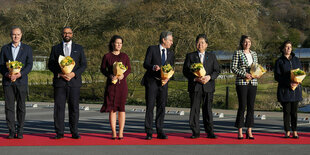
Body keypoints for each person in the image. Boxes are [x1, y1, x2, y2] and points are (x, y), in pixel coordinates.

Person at [48, 27, 87, 139]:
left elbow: (83, 64)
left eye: (69, 33)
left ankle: (74, 132)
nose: (67, 35)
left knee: (74, 108)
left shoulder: (79, 48)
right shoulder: (55, 48)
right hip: (60, 82)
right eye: (65, 33)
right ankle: (59, 133)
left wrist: (73, 74)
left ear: (72, 34)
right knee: (59, 108)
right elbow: (50, 64)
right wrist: (60, 73)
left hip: (74, 82)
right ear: (62, 34)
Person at [183, 34, 220, 139]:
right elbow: (185, 71)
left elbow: (217, 70)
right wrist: (195, 78)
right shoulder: (190, 56)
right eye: (198, 42)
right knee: (195, 110)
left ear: (206, 45)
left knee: (207, 109)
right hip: (195, 86)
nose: (200, 44)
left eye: (202, 42)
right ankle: (195, 132)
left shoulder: (212, 56)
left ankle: (210, 132)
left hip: (208, 86)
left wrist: (209, 77)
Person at [0, 26, 33, 139]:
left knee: (21, 107)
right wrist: (6, 74)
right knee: (9, 107)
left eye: (18, 34)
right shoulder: (5, 48)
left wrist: (20, 74)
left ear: (21, 35)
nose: (16, 36)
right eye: (14, 34)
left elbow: (29, 65)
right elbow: (1, 65)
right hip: (8, 82)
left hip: (21, 81)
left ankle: (20, 131)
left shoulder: (27, 49)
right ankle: (11, 130)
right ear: (11, 35)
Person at [142, 31, 175, 140]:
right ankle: (149, 132)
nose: (172, 42)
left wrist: (167, 78)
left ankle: (160, 131)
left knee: (162, 107)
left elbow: (171, 69)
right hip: (152, 82)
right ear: (163, 40)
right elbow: (145, 64)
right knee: (150, 106)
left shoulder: (171, 53)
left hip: (163, 84)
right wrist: (153, 67)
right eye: (170, 40)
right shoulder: (152, 49)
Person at [100, 35, 131, 140]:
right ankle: (113, 132)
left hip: (122, 85)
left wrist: (124, 75)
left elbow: (128, 69)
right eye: (117, 43)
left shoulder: (125, 56)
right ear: (112, 43)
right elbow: (103, 69)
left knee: (121, 109)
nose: (119, 45)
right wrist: (110, 75)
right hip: (111, 85)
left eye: (120, 43)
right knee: (112, 109)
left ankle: (121, 131)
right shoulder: (107, 56)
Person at [230, 35, 258, 139]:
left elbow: (256, 67)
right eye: (245, 42)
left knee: (251, 106)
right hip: (242, 82)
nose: (247, 44)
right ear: (242, 43)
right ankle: (240, 130)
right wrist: (244, 74)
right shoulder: (238, 53)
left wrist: (258, 73)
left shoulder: (254, 54)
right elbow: (233, 67)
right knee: (242, 106)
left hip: (253, 82)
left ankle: (249, 130)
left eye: (249, 42)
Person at [274, 40, 302, 139]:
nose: (288, 48)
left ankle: (295, 131)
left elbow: (300, 72)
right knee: (286, 112)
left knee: (294, 112)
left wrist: (299, 80)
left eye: (290, 47)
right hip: (285, 90)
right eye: (286, 47)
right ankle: (287, 131)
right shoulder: (279, 61)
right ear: (282, 49)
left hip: (295, 90)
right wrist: (288, 83)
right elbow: (277, 77)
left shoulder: (296, 60)